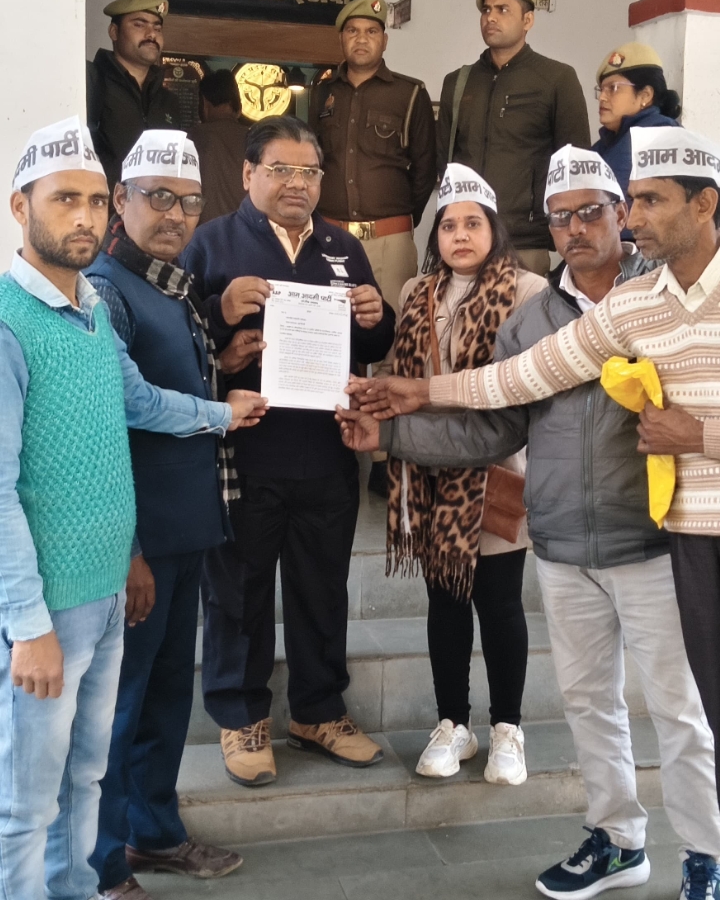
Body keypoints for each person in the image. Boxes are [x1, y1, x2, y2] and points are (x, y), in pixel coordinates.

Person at [340, 142, 720, 898]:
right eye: (559, 217)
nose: (577, 229)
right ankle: (617, 840)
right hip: (563, 543)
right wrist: (394, 430)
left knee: (681, 713)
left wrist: (702, 436)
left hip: (657, 542)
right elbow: (500, 409)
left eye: (594, 212)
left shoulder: (655, 293)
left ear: (619, 213)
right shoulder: (538, 317)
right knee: (588, 703)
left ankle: (706, 856)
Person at [0, 117, 263, 900]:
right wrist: (30, 622)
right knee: (32, 796)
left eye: (89, 200)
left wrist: (222, 411)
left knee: (98, 757)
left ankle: (112, 862)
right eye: (65, 199)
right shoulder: (36, 315)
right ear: (21, 206)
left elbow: (139, 401)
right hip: (64, 594)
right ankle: (93, 871)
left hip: (120, 576)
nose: (82, 216)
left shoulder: (89, 308)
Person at [179, 115, 395, 787]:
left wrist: (376, 316)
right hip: (246, 454)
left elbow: (371, 345)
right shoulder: (211, 242)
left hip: (327, 452)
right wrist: (220, 318)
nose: (296, 183)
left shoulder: (342, 247)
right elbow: (177, 343)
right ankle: (241, 715)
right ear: (249, 174)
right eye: (281, 169)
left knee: (321, 588)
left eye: (309, 171)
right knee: (237, 593)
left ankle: (319, 710)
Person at [86, 131, 253, 900]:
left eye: (189, 201)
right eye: (159, 197)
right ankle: (102, 863)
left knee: (163, 699)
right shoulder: (105, 289)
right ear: (121, 200)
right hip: (140, 541)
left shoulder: (171, 285)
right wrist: (128, 551)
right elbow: (117, 413)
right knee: (118, 708)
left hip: (186, 529)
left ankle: (153, 832)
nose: (176, 215)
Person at [384, 163, 544, 781]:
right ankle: (453, 725)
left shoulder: (528, 291)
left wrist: (427, 398)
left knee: (500, 603)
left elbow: (512, 387)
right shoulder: (415, 291)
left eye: (472, 223)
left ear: (494, 228)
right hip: (429, 472)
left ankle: (508, 728)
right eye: (448, 226)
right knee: (445, 602)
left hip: (496, 469)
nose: (460, 235)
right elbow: (399, 375)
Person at [310, 0, 437, 495]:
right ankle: (333, 433)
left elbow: (425, 171)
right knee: (329, 335)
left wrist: (398, 222)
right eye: (352, 31)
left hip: (389, 236)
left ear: (384, 40)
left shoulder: (410, 93)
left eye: (371, 31)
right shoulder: (322, 93)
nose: (361, 39)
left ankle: (384, 451)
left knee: (393, 339)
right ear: (341, 38)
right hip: (329, 237)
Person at [437, 0, 590, 276]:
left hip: (524, 240)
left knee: (526, 310)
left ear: (527, 20)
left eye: (503, 9)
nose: (491, 17)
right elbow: (445, 161)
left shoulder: (556, 78)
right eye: (486, 10)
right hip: (465, 238)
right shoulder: (458, 82)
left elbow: (574, 164)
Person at [87, 0, 181, 194]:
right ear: (114, 32)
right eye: (139, 25)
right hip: (103, 208)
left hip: (154, 209)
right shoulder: (90, 82)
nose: (151, 34)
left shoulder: (168, 102)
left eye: (157, 28)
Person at [593, 42, 681, 201]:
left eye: (613, 88)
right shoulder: (608, 142)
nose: (602, 97)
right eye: (601, 89)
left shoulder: (656, 137)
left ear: (645, 95)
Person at [188, 69, 249, 224]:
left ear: (204, 103)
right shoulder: (255, 139)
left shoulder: (193, 138)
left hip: (204, 232)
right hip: (246, 231)